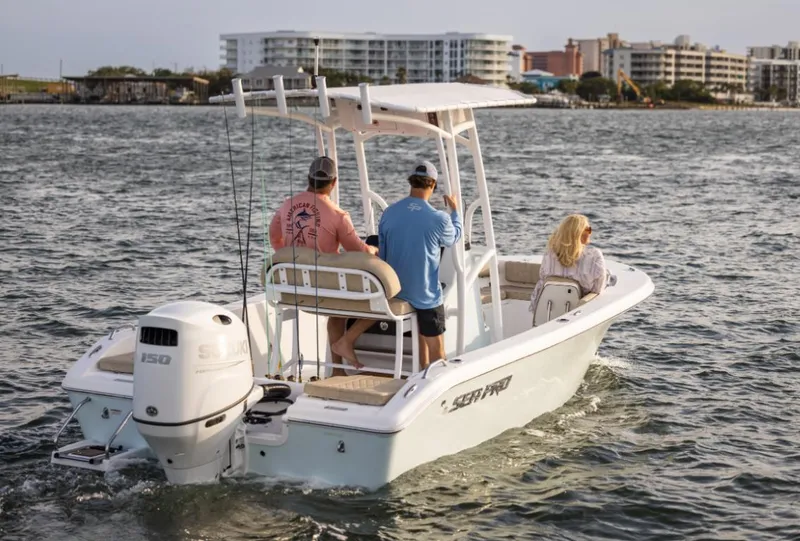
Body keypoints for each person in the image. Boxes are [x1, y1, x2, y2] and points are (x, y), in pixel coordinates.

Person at [331, 160, 461, 370]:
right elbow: (453, 238)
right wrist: (455, 213)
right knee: (439, 350)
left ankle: (349, 340)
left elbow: (383, 247)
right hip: (422, 294)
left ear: (410, 182)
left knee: (407, 295)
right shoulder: (440, 219)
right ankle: (431, 373)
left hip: (392, 289)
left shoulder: (389, 213)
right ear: (433, 186)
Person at [269, 156, 378, 375]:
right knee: (345, 307)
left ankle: (337, 369)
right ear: (334, 182)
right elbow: (357, 251)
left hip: (290, 289)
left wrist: (291, 257)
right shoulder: (338, 215)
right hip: (323, 292)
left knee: (337, 301)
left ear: (308, 179)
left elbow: (274, 237)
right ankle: (339, 364)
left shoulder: (287, 205)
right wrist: (373, 250)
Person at [529, 214, 608, 319]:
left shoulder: (550, 255)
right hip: (578, 316)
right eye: (588, 229)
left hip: (545, 313)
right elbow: (597, 290)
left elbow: (542, 280)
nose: (590, 233)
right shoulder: (594, 256)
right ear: (578, 233)